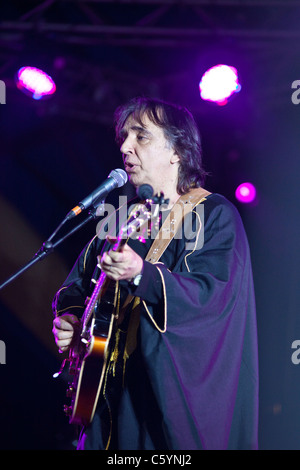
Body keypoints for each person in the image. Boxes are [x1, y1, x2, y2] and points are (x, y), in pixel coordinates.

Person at [52, 96, 259, 450]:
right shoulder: (121, 220)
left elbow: (210, 297)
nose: (125, 147)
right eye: (123, 137)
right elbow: (75, 287)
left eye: (140, 136)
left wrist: (141, 275)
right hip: (103, 405)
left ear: (177, 151)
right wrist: (71, 322)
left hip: (157, 410)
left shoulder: (213, 215)